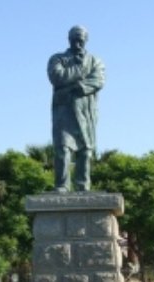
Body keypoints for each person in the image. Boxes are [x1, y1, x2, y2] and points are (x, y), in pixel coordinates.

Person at [47, 25, 105, 192]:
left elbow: (99, 79)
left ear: (86, 40)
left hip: (86, 112)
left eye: (81, 40)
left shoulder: (96, 61)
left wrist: (79, 86)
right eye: (74, 40)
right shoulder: (57, 59)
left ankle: (82, 186)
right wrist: (80, 70)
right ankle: (62, 185)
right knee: (63, 148)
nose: (77, 44)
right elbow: (58, 77)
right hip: (64, 111)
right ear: (69, 40)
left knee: (86, 150)